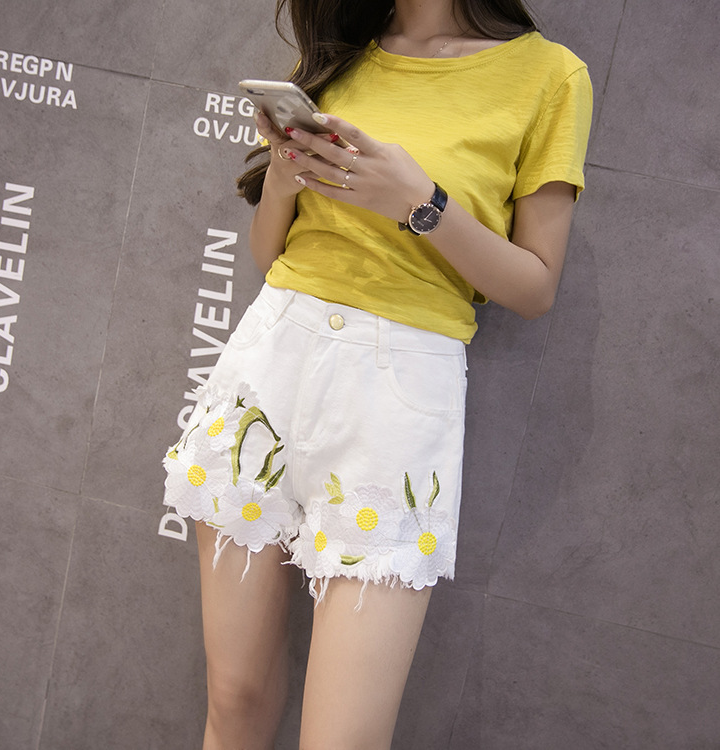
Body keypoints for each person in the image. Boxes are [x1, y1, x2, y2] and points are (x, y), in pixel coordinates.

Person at [162, 0, 593, 747]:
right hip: (270, 365)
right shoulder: (345, 48)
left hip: (397, 400)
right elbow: (271, 257)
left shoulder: (550, 75)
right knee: (234, 698)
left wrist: (421, 204)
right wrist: (285, 178)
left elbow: (535, 287)